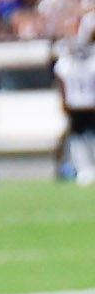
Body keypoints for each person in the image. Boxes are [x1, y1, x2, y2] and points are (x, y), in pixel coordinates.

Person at [58, 20, 95, 184]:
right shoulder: (85, 64)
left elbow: (61, 80)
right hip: (84, 103)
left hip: (79, 103)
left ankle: (86, 169)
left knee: (81, 138)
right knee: (80, 138)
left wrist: (64, 100)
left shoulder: (68, 64)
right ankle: (84, 169)